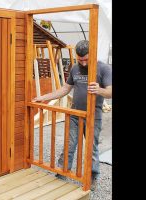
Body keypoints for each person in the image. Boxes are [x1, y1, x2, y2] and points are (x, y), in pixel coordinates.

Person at [32, 40, 112, 191]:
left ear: (92, 54)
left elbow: (110, 92)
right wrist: (44, 97)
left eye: (86, 59)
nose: (82, 63)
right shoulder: (75, 68)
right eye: (80, 59)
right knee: (70, 144)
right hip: (75, 114)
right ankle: (63, 171)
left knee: (91, 147)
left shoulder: (103, 69)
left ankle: (92, 175)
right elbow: (65, 89)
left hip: (93, 116)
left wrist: (99, 90)